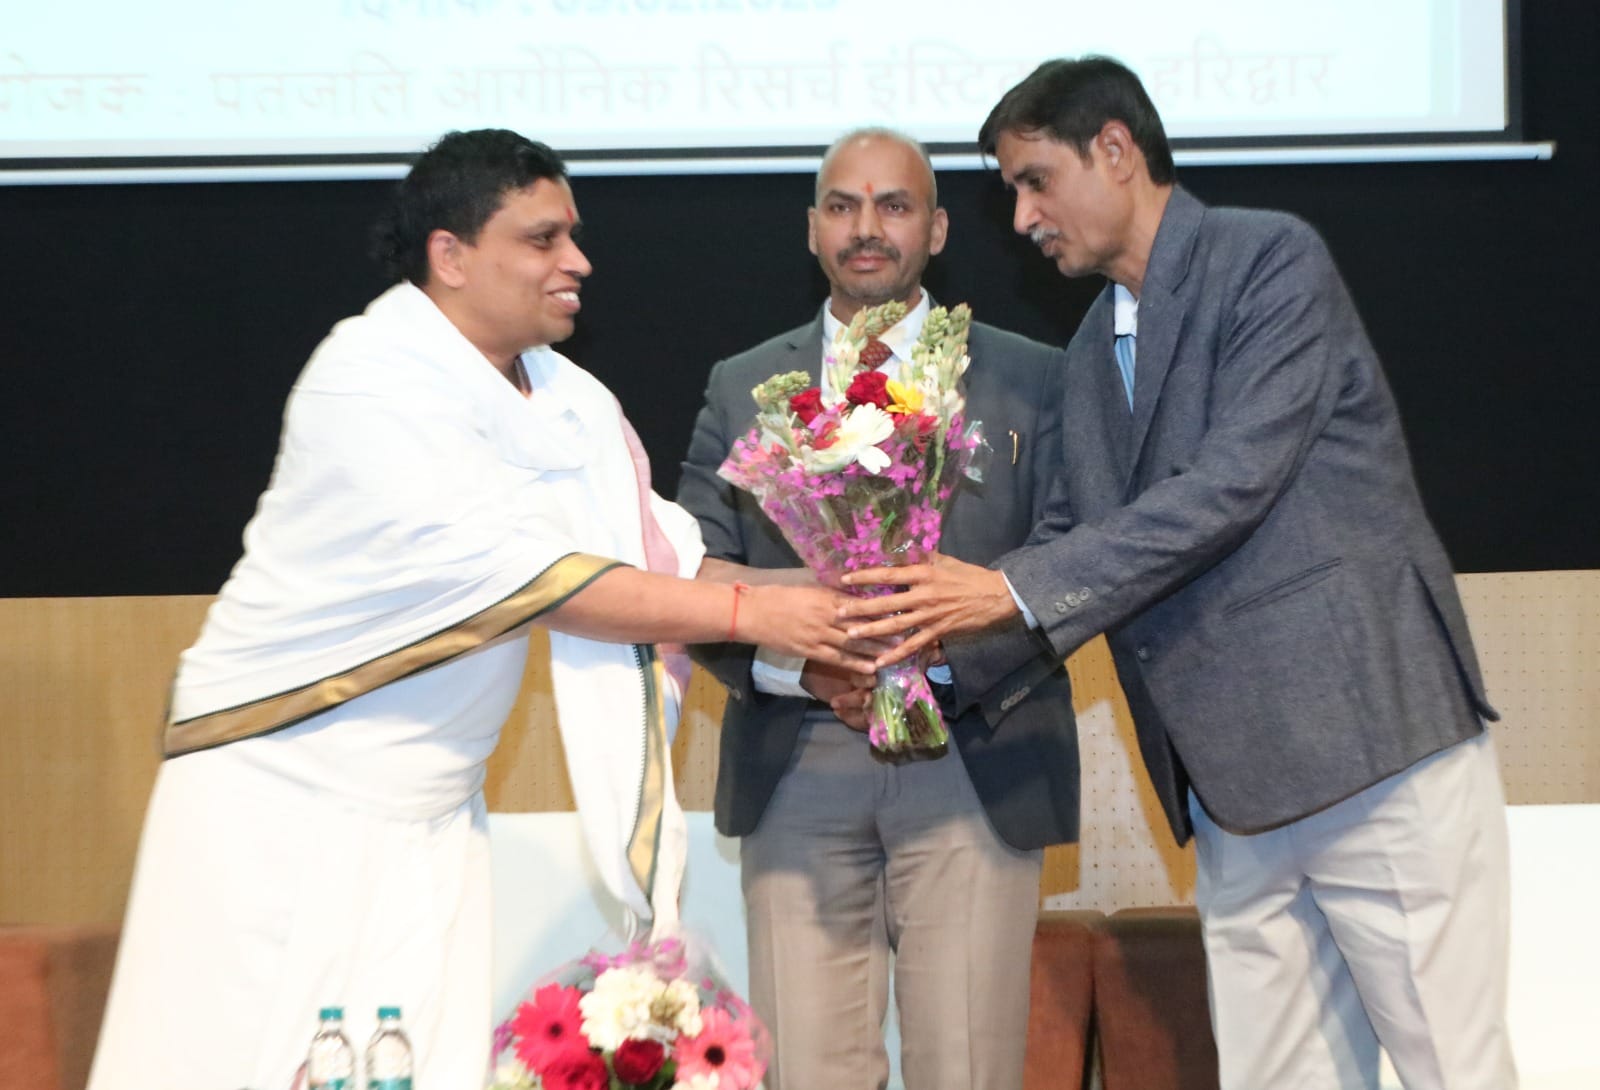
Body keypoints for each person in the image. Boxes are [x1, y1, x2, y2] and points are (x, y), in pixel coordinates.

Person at [87, 129, 870, 1090]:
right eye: (542, 239)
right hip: (279, 790)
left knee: (416, 1066)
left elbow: (666, 565)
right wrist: (756, 615)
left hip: (431, 811)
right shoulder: (370, 376)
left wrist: (848, 595)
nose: (578, 261)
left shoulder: (571, 402)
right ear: (450, 256)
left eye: (572, 235)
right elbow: (537, 581)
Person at [839, 59, 1516, 1090]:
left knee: (1451, 1067)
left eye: (1034, 181)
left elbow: (1229, 488)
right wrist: (918, 669)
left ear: (1115, 149)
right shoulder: (1086, 353)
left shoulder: (1268, 260)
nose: (1021, 218)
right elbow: (1064, 543)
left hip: (1369, 750)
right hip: (1228, 794)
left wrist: (1003, 592)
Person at [677, 127, 1078, 1090]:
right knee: (807, 1070)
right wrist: (804, 667)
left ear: (936, 230)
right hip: (796, 764)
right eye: (843, 206)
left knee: (967, 1068)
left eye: (894, 206)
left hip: (974, 754)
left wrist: (932, 667)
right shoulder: (742, 385)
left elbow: (1073, 561)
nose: (868, 228)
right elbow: (692, 572)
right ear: (812, 228)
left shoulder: (1033, 376)